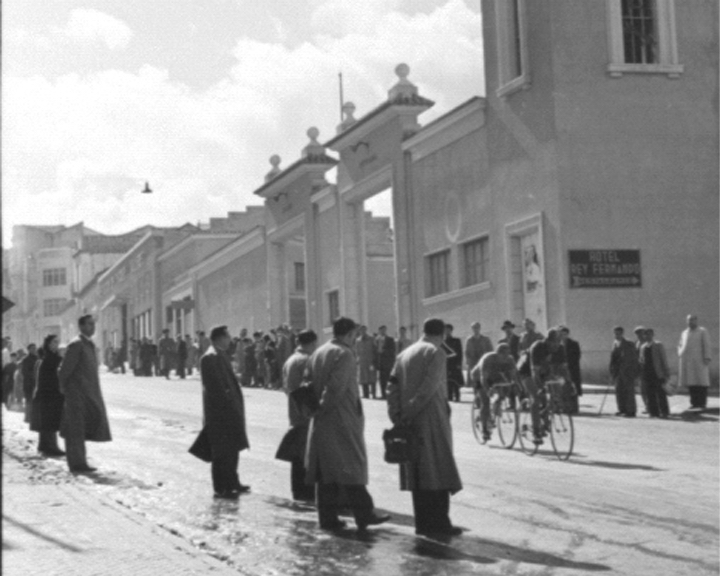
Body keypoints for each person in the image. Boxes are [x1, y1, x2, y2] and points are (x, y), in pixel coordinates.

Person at [305, 316, 390, 532]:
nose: (355, 339)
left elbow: (307, 384)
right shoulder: (345, 354)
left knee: (326, 473)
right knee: (351, 466)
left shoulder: (319, 352)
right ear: (350, 334)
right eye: (354, 335)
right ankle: (364, 514)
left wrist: (315, 410)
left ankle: (328, 518)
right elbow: (335, 388)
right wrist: (324, 407)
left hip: (323, 420)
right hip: (340, 419)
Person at [388, 318, 463, 537]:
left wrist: (397, 415)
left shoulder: (404, 354)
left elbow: (391, 386)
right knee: (438, 469)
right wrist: (410, 411)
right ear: (441, 335)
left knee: (417, 473)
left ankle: (422, 523)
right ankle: (440, 524)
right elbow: (428, 388)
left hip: (408, 421)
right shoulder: (436, 353)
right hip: (431, 419)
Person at [197, 325, 250, 499]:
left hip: (229, 411)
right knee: (221, 452)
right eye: (227, 337)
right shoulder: (210, 357)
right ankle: (221, 487)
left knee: (232, 449)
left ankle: (233, 481)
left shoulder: (220, 355)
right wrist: (228, 407)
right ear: (220, 338)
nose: (229, 340)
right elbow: (216, 389)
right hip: (220, 414)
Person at [58, 315, 112, 473]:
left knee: (81, 429)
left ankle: (80, 462)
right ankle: (77, 464)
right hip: (77, 395)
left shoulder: (88, 344)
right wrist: (66, 390)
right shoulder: (76, 345)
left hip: (87, 394)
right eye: (89, 324)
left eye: (93, 324)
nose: (93, 327)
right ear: (81, 326)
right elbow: (64, 370)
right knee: (75, 429)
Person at [282, 329, 318, 502]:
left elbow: (285, 387)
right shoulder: (306, 360)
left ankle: (298, 491)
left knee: (298, 455)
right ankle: (306, 492)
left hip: (294, 411)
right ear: (312, 343)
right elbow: (310, 389)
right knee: (306, 454)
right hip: (306, 413)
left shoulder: (290, 360)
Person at [527, 329, 573, 444]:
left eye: (558, 342)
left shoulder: (560, 348)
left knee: (556, 395)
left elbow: (564, 368)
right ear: (547, 341)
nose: (556, 345)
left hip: (545, 370)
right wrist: (540, 388)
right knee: (536, 398)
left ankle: (544, 412)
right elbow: (535, 373)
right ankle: (536, 431)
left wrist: (569, 383)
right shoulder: (537, 347)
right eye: (554, 342)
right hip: (526, 370)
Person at [470, 343, 520, 442]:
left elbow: (514, 376)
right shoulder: (488, 359)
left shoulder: (510, 359)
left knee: (505, 388)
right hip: (479, 376)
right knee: (485, 401)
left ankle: (496, 406)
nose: (505, 358)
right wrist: (488, 390)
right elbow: (483, 378)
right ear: (497, 354)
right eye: (503, 355)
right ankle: (484, 429)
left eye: (507, 355)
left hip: (495, 376)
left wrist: (517, 386)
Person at [30, 334, 65, 456]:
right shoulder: (49, 357)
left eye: (57, 342)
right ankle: (50, 447)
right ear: (49, 344)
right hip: (48, 393)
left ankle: (45, 446)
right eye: (54, 342)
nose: (56, 344)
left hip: (48, 393)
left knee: (47, 421)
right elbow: (52, 369)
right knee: (49, 421)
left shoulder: (50, 356)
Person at [678, 315, 713, 409]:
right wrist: (680, 353)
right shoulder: (684, 332)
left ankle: (702, 403)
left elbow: (707, 344)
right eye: (689, 320)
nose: (690, 322)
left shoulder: (702, 331)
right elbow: (680, 344)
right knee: (691, 382)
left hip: (700, 360)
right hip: (688, 361)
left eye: (692, 320)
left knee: (701, 382)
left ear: (696, 321)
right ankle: (694, 403)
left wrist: (707, 357)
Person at [639, 328, 670, 418]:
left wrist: (666, 372)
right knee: (650, 393)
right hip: (647, 373)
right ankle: (654, 413)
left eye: (649, 334)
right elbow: (641, 360)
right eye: (646, 334)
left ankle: (664, 412)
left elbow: (663, 358)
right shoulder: (643, 347)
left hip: (658, 372)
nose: (647, 336)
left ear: (653, 335)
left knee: (661, 393)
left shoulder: (658, 345)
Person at [609, 326, 639, 417]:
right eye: (615, 333)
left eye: (618, 333)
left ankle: (630, 411)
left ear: (622, 333)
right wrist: (612, 371)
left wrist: (633, 371)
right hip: (617, 372)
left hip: (627, 371)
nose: (616, 335)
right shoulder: (614, 344)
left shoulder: (629, 343)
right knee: (619, 391)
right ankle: (622, 409)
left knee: (629, 392)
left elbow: (633, 358)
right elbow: (613, 359)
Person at [558, 326, 582, 414]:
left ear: (568, 334)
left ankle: (574, 408)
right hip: (561, 370)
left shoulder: (574, 343)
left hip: (572, 369)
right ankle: (564, 407)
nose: (563, 336)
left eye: (565, 334)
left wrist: (568, 364)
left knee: (573, 388)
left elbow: (577, 356)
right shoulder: (557, 344)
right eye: (561, 334)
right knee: (562, 389)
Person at [373, 325, 396, 400]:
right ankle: (383, 394)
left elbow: (392, 350)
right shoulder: (376, 339)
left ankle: (388, 394)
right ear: (379, 331)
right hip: (379, 363)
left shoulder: (390, 339)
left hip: (387, 363)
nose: (383, 331)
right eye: (381, 330)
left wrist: (384, 351)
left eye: (384, 330)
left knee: (387, 379)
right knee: (381, 379)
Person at [444, 324, 464, 402]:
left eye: (448, 330)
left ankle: (457, 396)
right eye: (445, 330)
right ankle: (449, 396)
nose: (447, 331)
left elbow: (460, 353)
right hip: (446, 364)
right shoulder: (443, 342)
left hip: (455, 363)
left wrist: (459, 364)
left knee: (455, 381)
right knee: (448, 381)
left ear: (451, 330)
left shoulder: (456, 340)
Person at [355, 325, 376, 399]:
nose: (362, 332)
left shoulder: (371, 338)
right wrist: (357, 360)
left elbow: (374, 349)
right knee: (363, 378)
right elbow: (357, 351)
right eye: (361, 330)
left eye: (364, 330)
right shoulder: (358, 340)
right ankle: (365, 394)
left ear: (366, 330)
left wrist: (373, 360)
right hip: (362, 361)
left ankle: (373, 394)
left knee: (372, 378)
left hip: (370, 361)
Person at [20, 343, 39, 424]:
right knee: (29, 400)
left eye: (35, 348)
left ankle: (33, 417)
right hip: (28, 383)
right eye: (32, 348)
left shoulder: (38, 358)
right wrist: (35, 375)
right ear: (29, 350)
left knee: (35, 400)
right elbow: (24, 372)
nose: (34, 350)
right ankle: (28, 417)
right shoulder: (26, 359)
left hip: (36, 383)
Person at [633, 326, 649, 414]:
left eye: (641, 333)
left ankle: (651, 406)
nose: (639, 335)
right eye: (637, 333)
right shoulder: (636, 343)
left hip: (648, 369)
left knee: (649, 388)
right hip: (639, 369)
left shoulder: (648, 342)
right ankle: (646, 406)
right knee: (642, 389)